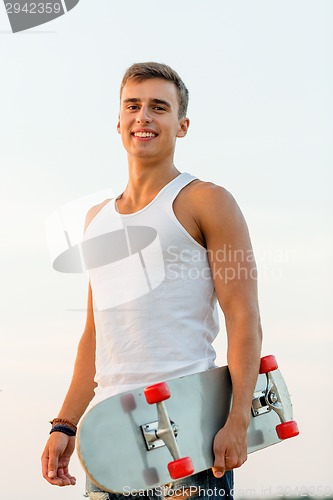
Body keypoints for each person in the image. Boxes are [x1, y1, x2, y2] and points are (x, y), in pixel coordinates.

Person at [41, 62, 262, 499]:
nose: (144, 116)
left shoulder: (207, 201)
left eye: (159, 107)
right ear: (119, 122)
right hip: (111, 439)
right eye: (133, 106)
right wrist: (65, 423)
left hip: (189, 434)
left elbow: (244, 319)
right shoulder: (96, 221)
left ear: (182, 125)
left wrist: (238, 420)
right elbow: (95, 335)